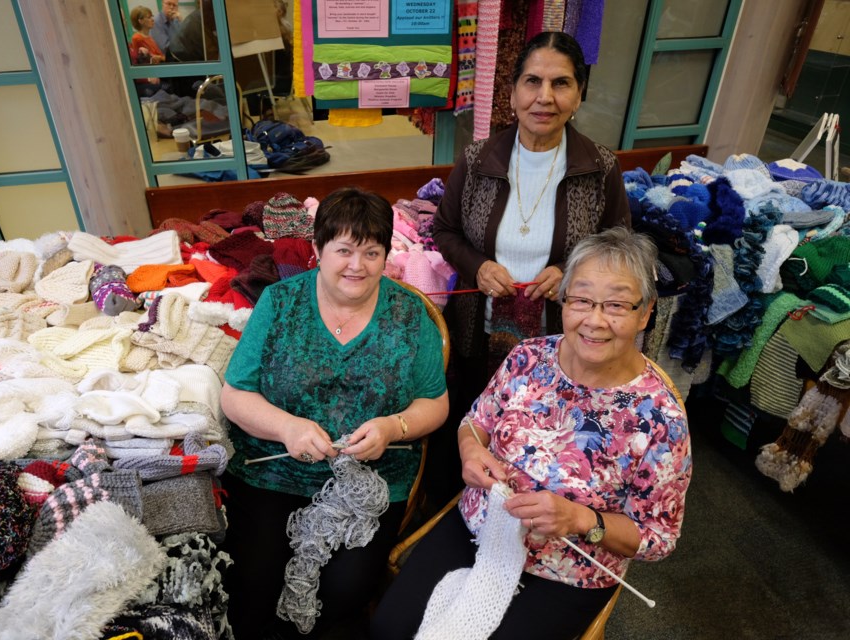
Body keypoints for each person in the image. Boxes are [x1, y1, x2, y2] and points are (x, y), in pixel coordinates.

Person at [371, 227, 692, 640]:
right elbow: (475, 422)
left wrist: (581, 519)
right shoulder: (528, 356)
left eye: (616, 305)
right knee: (388, 629)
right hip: (481, 524)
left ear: (645, 312)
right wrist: (471, 454)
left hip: (568, 570)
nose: (595, 320)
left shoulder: (661, 419)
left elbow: (657, 538)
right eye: (582, 300)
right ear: (564, 301)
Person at [220, 187, 450, 638]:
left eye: (372, 252)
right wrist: (287, 427)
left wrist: (392, 426)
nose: (357, 266)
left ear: (387, 255)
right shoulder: (281, 303)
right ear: (317, 250)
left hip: (370, 482)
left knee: (342, 591)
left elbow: (435, 403)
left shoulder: (407, 313)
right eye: (343, 250)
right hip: (273, 475)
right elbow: (235, 394)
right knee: (251, 583)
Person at [428, 31, 631, 507]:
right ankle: (461, 512)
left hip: (560, 339)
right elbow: (443, 230)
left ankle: (529, 516)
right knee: (474, 424)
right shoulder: (479, 160)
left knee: (546, 436)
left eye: (561, 83)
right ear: (513, 92)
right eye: (532, 81)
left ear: (580, 93)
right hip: (478, 330)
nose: (545, 97)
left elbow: (620, 245)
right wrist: (477, 267)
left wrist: (571, 273)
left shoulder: (599, 167)